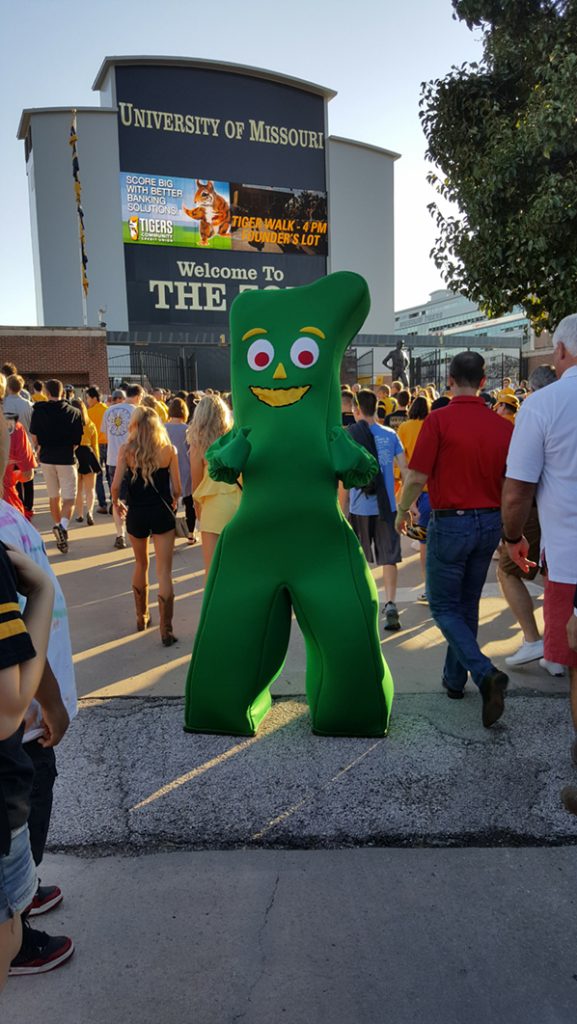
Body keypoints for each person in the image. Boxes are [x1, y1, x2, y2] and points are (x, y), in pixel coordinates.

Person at [396, 351, 513, 727]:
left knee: (444, 607)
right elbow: (513, 482)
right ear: (483, 381)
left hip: (451, 522)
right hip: (489, 521)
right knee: (466, 604)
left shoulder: (438, 420)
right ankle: (453, 680)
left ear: (449, 379)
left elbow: (416, 476)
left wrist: (402, 510)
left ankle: (483, 673)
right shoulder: (503, 426)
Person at [501, 315, 577, 806]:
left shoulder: (545, 404)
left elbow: (517, 492)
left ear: (565, 351)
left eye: (554, 350)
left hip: (572, 565)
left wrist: (513, 539)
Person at [499, 364, 558, 671]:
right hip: (560, 511)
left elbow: (520, 482)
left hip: (536, 507)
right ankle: (554, 648)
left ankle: (536, 640)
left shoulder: (535, 409)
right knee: (555, 579)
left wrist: (511, 534)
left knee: (509, 572)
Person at [111, 407, 181, 645]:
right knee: (164, 570)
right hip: (161, 512)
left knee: (141, 563)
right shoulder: (169, 451)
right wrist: (175, 501)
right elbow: (178, 489)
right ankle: (166, 629)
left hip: (137, 513)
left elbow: (114, 486)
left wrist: (116, 503)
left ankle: (141, 618)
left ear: (134, 426)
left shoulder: (126, 451)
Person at [343, 388, 408, 631]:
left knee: (359, 558)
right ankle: (390, 603)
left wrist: (342, 508)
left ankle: (362, 604)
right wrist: (405, 504)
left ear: (356, 409)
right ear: (377, 407)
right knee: (389, 558)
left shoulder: (349, 436)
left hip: (360, 507)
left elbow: (344, 480)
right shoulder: (391, 435)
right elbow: (406, 470)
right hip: (387, 507)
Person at [187, 394, 242, 583]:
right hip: (239, 504)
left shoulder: (198, 445)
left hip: (213, 508)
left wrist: (197, 511)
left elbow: (196, 483)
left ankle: (215, 611)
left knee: (212, 574)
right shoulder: (235, 438)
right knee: (239, 568)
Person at [29, 379, 83, 554]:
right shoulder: (74, 411)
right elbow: (77, 441)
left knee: (53, 495)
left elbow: (34, 437)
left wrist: (39, 448)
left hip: (46, 458)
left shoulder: (38, 410)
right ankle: (62, 526)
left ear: (46, 392)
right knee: (69, 498)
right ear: (63, 392)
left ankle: (57, 525)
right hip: (66, 458)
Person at [397, 395, 431, 599]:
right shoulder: (433, 425)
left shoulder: (404, 428)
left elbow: (403, 463)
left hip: (415, 487)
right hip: (435, 489)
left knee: (424, 542)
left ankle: (428, 587)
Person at [102, 385, 142, 549]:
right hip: (134, 459)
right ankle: (135, 529)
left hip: (113, 459)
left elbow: (104, 433)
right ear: (138, 396)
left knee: (117, 498)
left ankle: (120, 534)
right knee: (135, 497)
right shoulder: (136, 411)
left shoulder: (109, 410)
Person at [165, 397, 196, 543]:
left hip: (169, 471)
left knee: (171, 504)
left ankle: (169, 536)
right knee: (190, 504)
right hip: (187, 469)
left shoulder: (163, 428)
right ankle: (190, 533)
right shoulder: (188, 429)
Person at [70, 399, 100, 525]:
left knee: (78, 489)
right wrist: (97, 460)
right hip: (88, 454)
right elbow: (95, 445)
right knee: (90, 489)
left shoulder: (69, 424)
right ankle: (90, 512)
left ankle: (80, 514)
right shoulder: (90, 424)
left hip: (74, 454)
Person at [85, 387, 109, 514]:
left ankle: (102, 504)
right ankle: (114, 502)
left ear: (94, 398)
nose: (87, 400)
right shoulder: (107, 410)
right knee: (111, 475)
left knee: (98, 476)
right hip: (109, 444)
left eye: (88, 398)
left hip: (96, 446)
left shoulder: (89, 413)